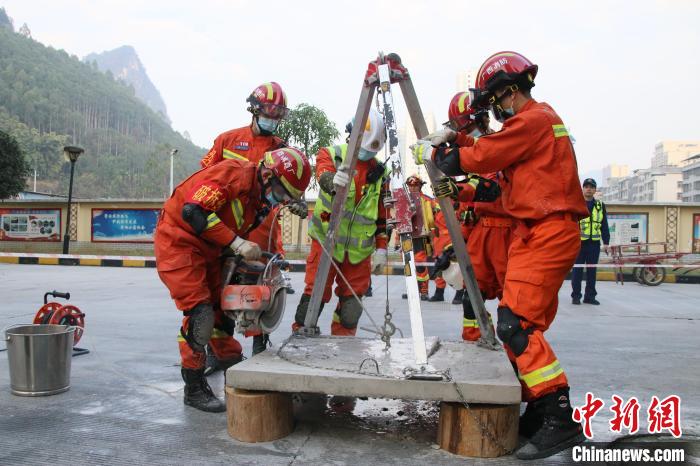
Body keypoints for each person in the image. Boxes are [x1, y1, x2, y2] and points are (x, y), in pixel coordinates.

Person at [413, 51, 588, 459]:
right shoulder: (534, 124)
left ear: (507, 91)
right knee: (519, 325)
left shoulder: (533, 120)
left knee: (516, 326)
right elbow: (491, 162)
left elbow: (486, 156)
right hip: (534, 232)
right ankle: (539, 411)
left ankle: (560, 419)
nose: (493, 109)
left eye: (494, 100)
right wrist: (456, 140)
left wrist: (442, 156)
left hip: (546, 231)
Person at [155, 147, 311, 413]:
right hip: (179, 242)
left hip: (210, 249)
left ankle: (232, 366)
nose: (280, 200)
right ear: (266, 175)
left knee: (222, 313)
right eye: (282, 193)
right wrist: (237, 243)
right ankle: (193, 387)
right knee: (201, 314)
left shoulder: (260, 198)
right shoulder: (231, 175)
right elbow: (193, 212)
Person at [200, 82, 307, 360]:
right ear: (255, 109)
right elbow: (204, 179)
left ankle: (260, 350)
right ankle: (218, 354)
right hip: (226, 231)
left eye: (278, 114)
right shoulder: (228, 141)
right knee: (220, 291)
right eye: (269, 112)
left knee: (262, 294)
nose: (273, 119)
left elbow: (290, 188)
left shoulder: (282, 149)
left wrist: (296, 201)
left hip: (263, 234)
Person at [293, 108, 389, 336]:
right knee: (314, 297)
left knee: (351, 309)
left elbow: (382, 216)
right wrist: (332, 181)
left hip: (358, 253)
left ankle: (344, 346)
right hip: (326, 242)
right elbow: (323, 176)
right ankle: (301, 338)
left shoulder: (380, 173)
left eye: (370, 150)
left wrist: (382, 249)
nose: (366, 154)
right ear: (351, 135)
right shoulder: (332, 155)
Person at [434, 92, 514, 341]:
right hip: (482, 236)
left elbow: (490, 189)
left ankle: (519, 357)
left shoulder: (502, 146)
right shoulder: (472, 159)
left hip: (507, 236)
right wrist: (452, 247)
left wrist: (460, 190)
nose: (460, 134)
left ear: (479, 121)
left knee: (512, 307)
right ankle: (476, 342)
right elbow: (469, 212)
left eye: (462, 127)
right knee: (471, 298)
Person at [571, 178, 610, 305]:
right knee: (577, 271)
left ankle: (590, 296)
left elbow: (604, 225)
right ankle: (576, 296)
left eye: (591, 187)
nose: (589, 189)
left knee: (592, 271)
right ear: (582, 189)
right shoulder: (576, 204)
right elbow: (570, 224)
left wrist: (606, 242)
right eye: (586, 186)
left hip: (594, 244)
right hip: (579, 244)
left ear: (595, 190)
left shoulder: (600, 206)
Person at [400, 175, 438, 301]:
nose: (413, 188)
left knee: (421, 264)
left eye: (415, 185)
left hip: (422, 237)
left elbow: (436, 218)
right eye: (410, 185)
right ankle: (412, 290)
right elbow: (400, 220)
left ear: (420, 186)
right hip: (407, 236)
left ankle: (424, 291)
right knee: (408, 265)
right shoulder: (403, 200)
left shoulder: (428, 200)